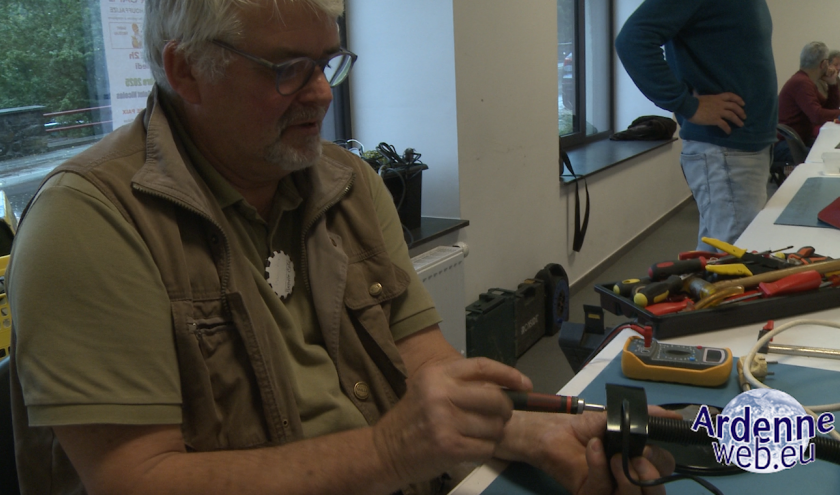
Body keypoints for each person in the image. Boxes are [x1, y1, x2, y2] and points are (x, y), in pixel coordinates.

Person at [7, 1, 675, 494]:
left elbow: (426, 362)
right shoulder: (91, 221)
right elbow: (133, 480)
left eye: (328, 63)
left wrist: (534, 432)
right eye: (288, 70)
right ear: (187, 70)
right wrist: (387, 452)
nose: (322, 93)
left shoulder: (344, 180)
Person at [615, 0, 778, 252]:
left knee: (716, 261)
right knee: (736, 267)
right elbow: (632, 41)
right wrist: (688, 104)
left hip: (743, 149)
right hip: (725, 150)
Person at [777, 42, 840, 160]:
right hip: (786, 145)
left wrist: (832, 84)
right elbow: (817, 115)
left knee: (831, 153)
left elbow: (829, 109)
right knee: (828, 158)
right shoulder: (802, 83)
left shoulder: (804, 81)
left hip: (796, 141)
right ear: (824, 64)